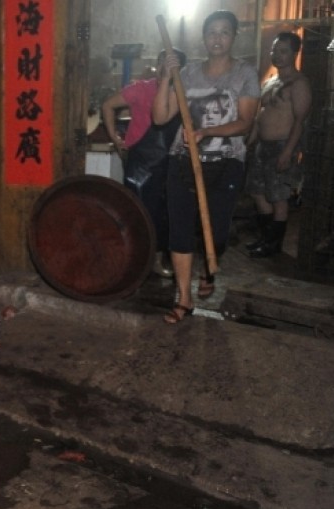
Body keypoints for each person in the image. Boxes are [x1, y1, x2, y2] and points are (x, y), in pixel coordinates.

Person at [152, 10, 260, 324]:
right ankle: (183, 298)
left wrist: (205, 132)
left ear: (234, 36)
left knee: (218, 230)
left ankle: (208, 269)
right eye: (211, 32)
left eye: (224, 32)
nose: (217, 38)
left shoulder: (245, 74)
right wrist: (165, 78)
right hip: (183, 161)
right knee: (181, 229)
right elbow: (160, 117)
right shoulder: (187, 75)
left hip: (226, 163)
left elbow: (244, 122)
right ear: (203, 37)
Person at [102, 48, 187, 278]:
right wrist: (116, 138)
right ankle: (135, 258)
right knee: (138, 210)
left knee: (165, 212)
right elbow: (108, 105)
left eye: (170, 63)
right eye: (161, 61)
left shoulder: (182, 93)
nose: (164, 66)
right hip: (140, 161)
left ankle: (158, 259)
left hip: (171, 160)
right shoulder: (141, 88)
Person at [245, 32, 311, 258]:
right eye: (275, 50)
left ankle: (273, 245)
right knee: (257, 191)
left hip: (282, 145)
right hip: (263, 146)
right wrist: (250, 142)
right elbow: (259, 116)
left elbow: (300, 121)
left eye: (283, 51)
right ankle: (266, 238)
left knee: (278, 196)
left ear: (294, 53)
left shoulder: (299, 83)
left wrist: (288, 151)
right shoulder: (270, 81)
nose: (277, 55)